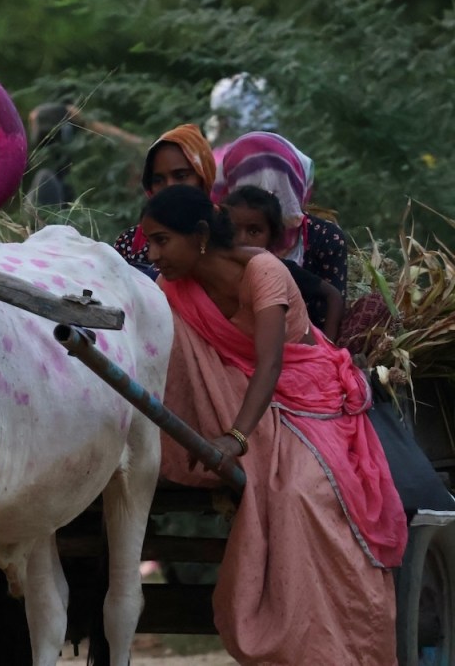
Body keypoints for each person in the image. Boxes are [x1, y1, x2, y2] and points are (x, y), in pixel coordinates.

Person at [141, 183, 406, 665]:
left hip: (312, 397)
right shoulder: (171, 289)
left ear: (200, 235)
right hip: (237, 398)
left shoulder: (262, 269)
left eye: (161, 240)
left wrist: (235, 439)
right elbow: (188, 365)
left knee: (302, 493)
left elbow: (270, 365)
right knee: (277, 488)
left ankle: (345, 648)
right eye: (149, 242)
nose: (152, 253)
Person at [211, 130, 348, 304]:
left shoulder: (326, 238)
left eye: (279, 183)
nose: (263, 192)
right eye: (248, 179)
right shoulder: (214, 239)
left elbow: (334, 302)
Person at [222, 185, 344, 341]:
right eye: (233, 230)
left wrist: (327, 346)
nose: (242, 239)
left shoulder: (280, 269)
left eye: (254, 231)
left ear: (271, 237)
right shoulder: (216, 268)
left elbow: (333, 295)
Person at [111, 123, 217, 269]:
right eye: (158, 180)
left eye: (181, 176)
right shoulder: (130, 243)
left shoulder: (229, 233)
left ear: (203, 175)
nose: (169, 186)